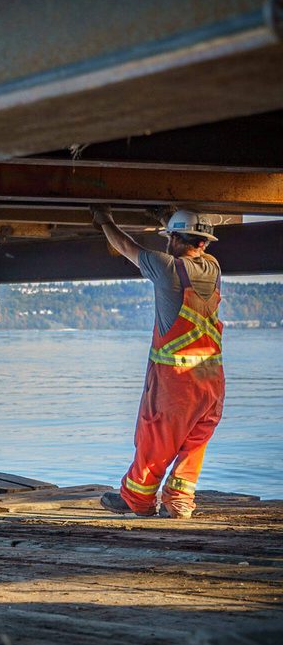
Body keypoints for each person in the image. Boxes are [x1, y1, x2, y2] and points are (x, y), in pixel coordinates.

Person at [91, 206, 225, 519]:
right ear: (204, 242)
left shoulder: (166, 267)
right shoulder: (214, 267)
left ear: (176, 238)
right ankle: (178, 504)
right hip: (213, 380)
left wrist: (105, 220)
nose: (166, 242)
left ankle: (137, 500)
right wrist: (167, 219)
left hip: (178, 381)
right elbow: (189, 241)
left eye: (169, 237)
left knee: (156, 440)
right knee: (194, 445)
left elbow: (125, 246)